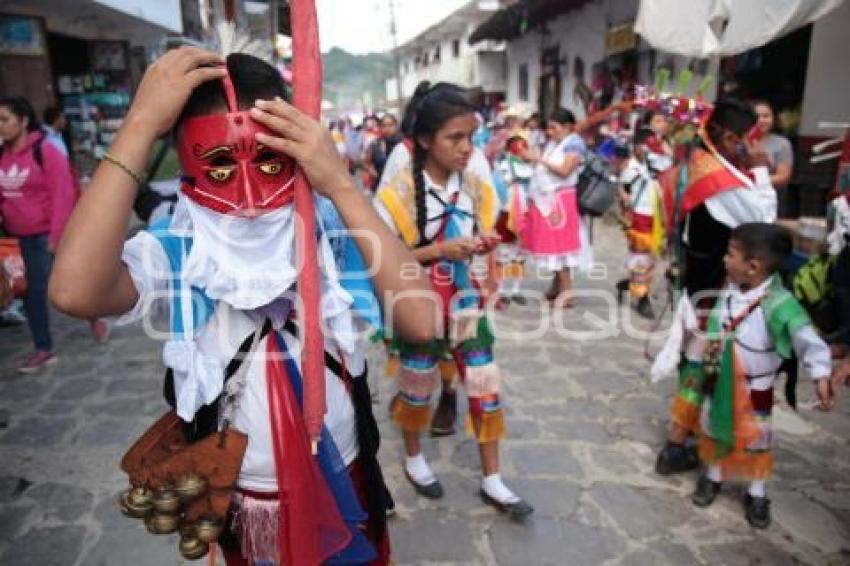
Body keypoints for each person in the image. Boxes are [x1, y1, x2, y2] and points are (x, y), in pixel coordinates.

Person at [49, 47, 436, 565]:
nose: (251, 198)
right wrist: (139, 126)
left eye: (271, 161)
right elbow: (75, 292)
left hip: (346, 472)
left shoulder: (331, 231)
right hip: (243, 502)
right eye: (222, 165)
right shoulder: (181, 248)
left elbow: (424, 320)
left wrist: (339, 183)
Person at [374, 81, 533, 518]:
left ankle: (493, 479)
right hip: (418, 304)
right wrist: (441, 251)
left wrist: (480, 246)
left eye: (471, 138)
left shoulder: (479, 189)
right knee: (417, 384)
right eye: (455, 138)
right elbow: (380, 257)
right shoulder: (396, 194)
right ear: (425, 140)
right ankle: (413, 458)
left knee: (484, 384)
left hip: (464, 303)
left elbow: (493, 235)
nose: (467, 149)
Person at [652, 98, 778, 475]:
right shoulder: (720, 179)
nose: (751, 148)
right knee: (701, 366)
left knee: (698, 364)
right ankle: (677, 445)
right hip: (715, 291)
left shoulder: (697, 164)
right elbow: (764, 223)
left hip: (697, 282)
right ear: (727, 137)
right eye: (746, 140)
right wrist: (760, 173)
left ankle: (686, 436)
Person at [690, 222, 834, 528]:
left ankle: (756, 493)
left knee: (757, 439)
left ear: (753, 266)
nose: (725, 259)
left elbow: (805, 336)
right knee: (716, 427)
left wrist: (821, 372)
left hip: (755, 386)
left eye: (731, 254)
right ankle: (713, 477)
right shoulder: (730, 289)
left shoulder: (780, 304)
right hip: (720, 376)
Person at [0, 96, 76, 372]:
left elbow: (62, 195)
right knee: (24, 291)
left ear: (23, 121)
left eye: (5, 119)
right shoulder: (2, 155)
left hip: (42, 236)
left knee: (38, 292)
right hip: (13, 239)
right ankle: (92, 315)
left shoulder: (45, 151)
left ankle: (43, 348)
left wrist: (57, 236)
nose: (1, 126)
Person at [521, 107, 590, 307]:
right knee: (550, 245)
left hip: (560, 200)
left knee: (560, 246)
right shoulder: (554, 144)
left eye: (554, 127)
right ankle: (556, 286)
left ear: (567, 127)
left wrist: (538, 159)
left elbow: (565, 170)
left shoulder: (574, 144)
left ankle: (567, 292)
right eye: (548, 128)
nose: (550, 132)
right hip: (546, 197)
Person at [611, 131, 664, 319]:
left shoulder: (661, 162)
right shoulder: (631, 168)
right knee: (641, 258)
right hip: (640, 216)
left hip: (658, 216)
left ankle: (628, 284)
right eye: (645, 145)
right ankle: (642, 298)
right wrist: (625, 200)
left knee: (652, 259)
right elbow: (623, 192)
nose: (649, 149)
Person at [752, 100, 794, 217]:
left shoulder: (782, 144)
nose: (761, 120)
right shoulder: (740, 141)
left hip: (770, 199)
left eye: (766, 116)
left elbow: (783, 176)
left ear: (773, 118)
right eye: (757, 116)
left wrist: (752, 181)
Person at [364, 114, 403, 193]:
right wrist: (370, 169)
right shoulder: (375, 144)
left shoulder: (403, 143)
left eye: (390, 125)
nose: (387, 129)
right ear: (380, 127)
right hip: (380, 187)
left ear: (396, 126)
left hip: (400, 188)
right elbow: (366, 162)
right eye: (384, 126)